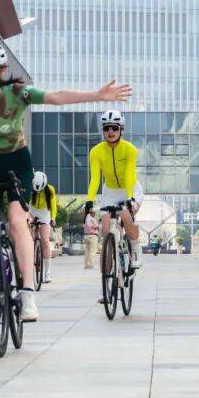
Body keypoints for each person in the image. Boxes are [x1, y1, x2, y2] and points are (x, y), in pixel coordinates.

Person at [0, 40, 131, 322]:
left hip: (17, 162)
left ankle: (28, 293)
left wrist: (96, 95)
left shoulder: (18, 93)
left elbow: (55, 97)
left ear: (1, 69)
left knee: (17, 221)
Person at [85, 110, 145, 277]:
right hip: (110, 191)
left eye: (114, 128)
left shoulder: (129, 149)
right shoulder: (96, 151)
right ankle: (107, 279)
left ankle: (135, 249)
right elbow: (95, 179)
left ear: (121, 129)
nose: (110, 131)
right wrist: (89, 200)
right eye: (106, 128)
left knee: (125, 214)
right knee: (106, 232)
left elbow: (129, 174)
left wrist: (130, 198)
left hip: (130, 188)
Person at [28, 170, 57, 283]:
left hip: (45, 212)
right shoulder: (30, 188)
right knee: (29, 239)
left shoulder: (50, 189)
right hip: (32, 210)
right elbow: (25, 203)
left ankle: (47, 273)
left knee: (45, 240)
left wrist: (53, 219)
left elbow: (53, 206)